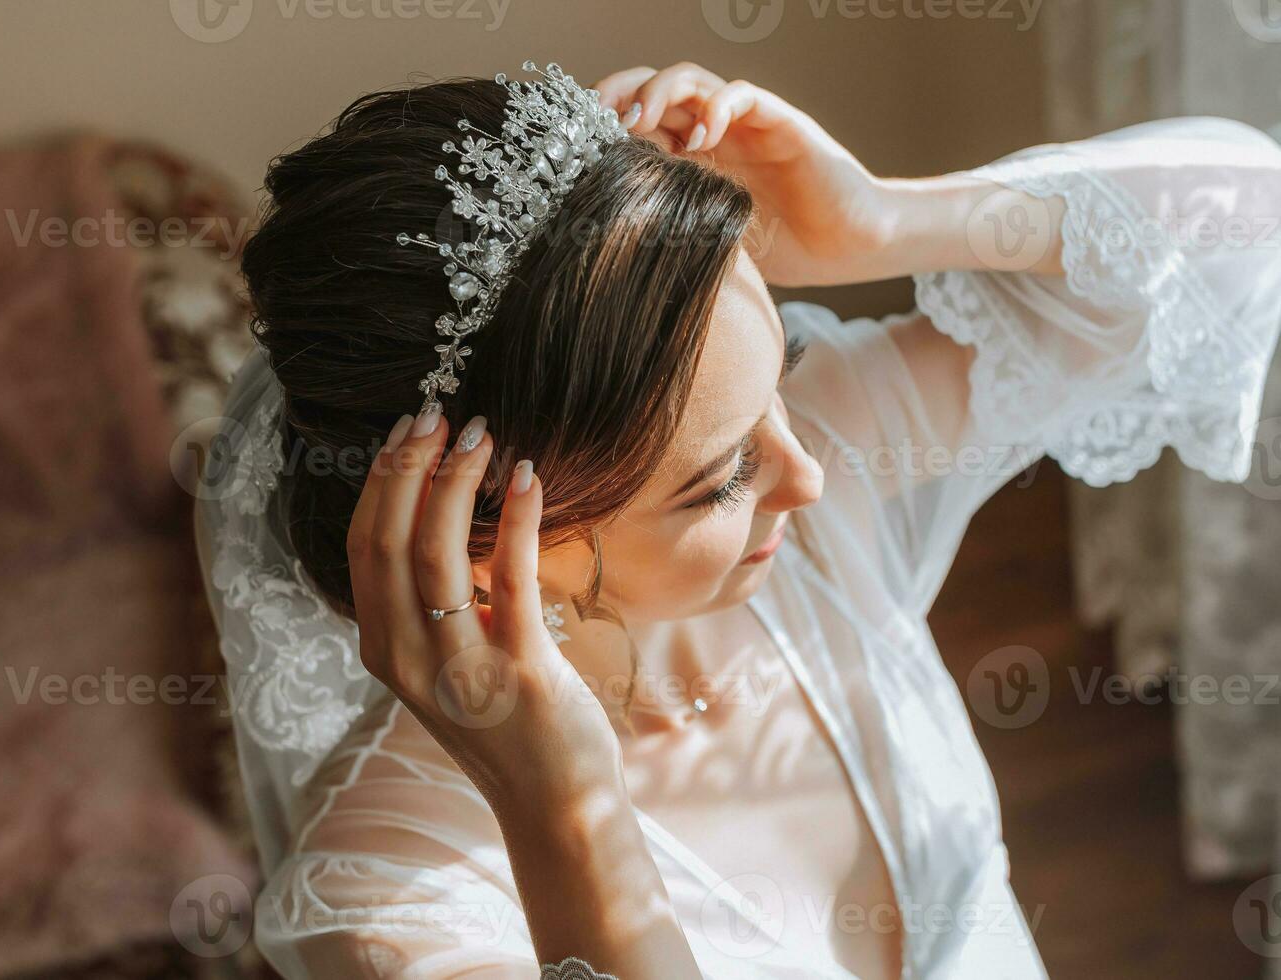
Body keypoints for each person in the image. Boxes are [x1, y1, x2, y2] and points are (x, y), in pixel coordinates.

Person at [196, 60, 1281, 979]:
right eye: (716, 480)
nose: (805, 474)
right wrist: (569, 816)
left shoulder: (814, 504)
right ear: (486, 559)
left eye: (787, 374)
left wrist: (885, 219)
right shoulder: (391, 899)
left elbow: (1248, 221)